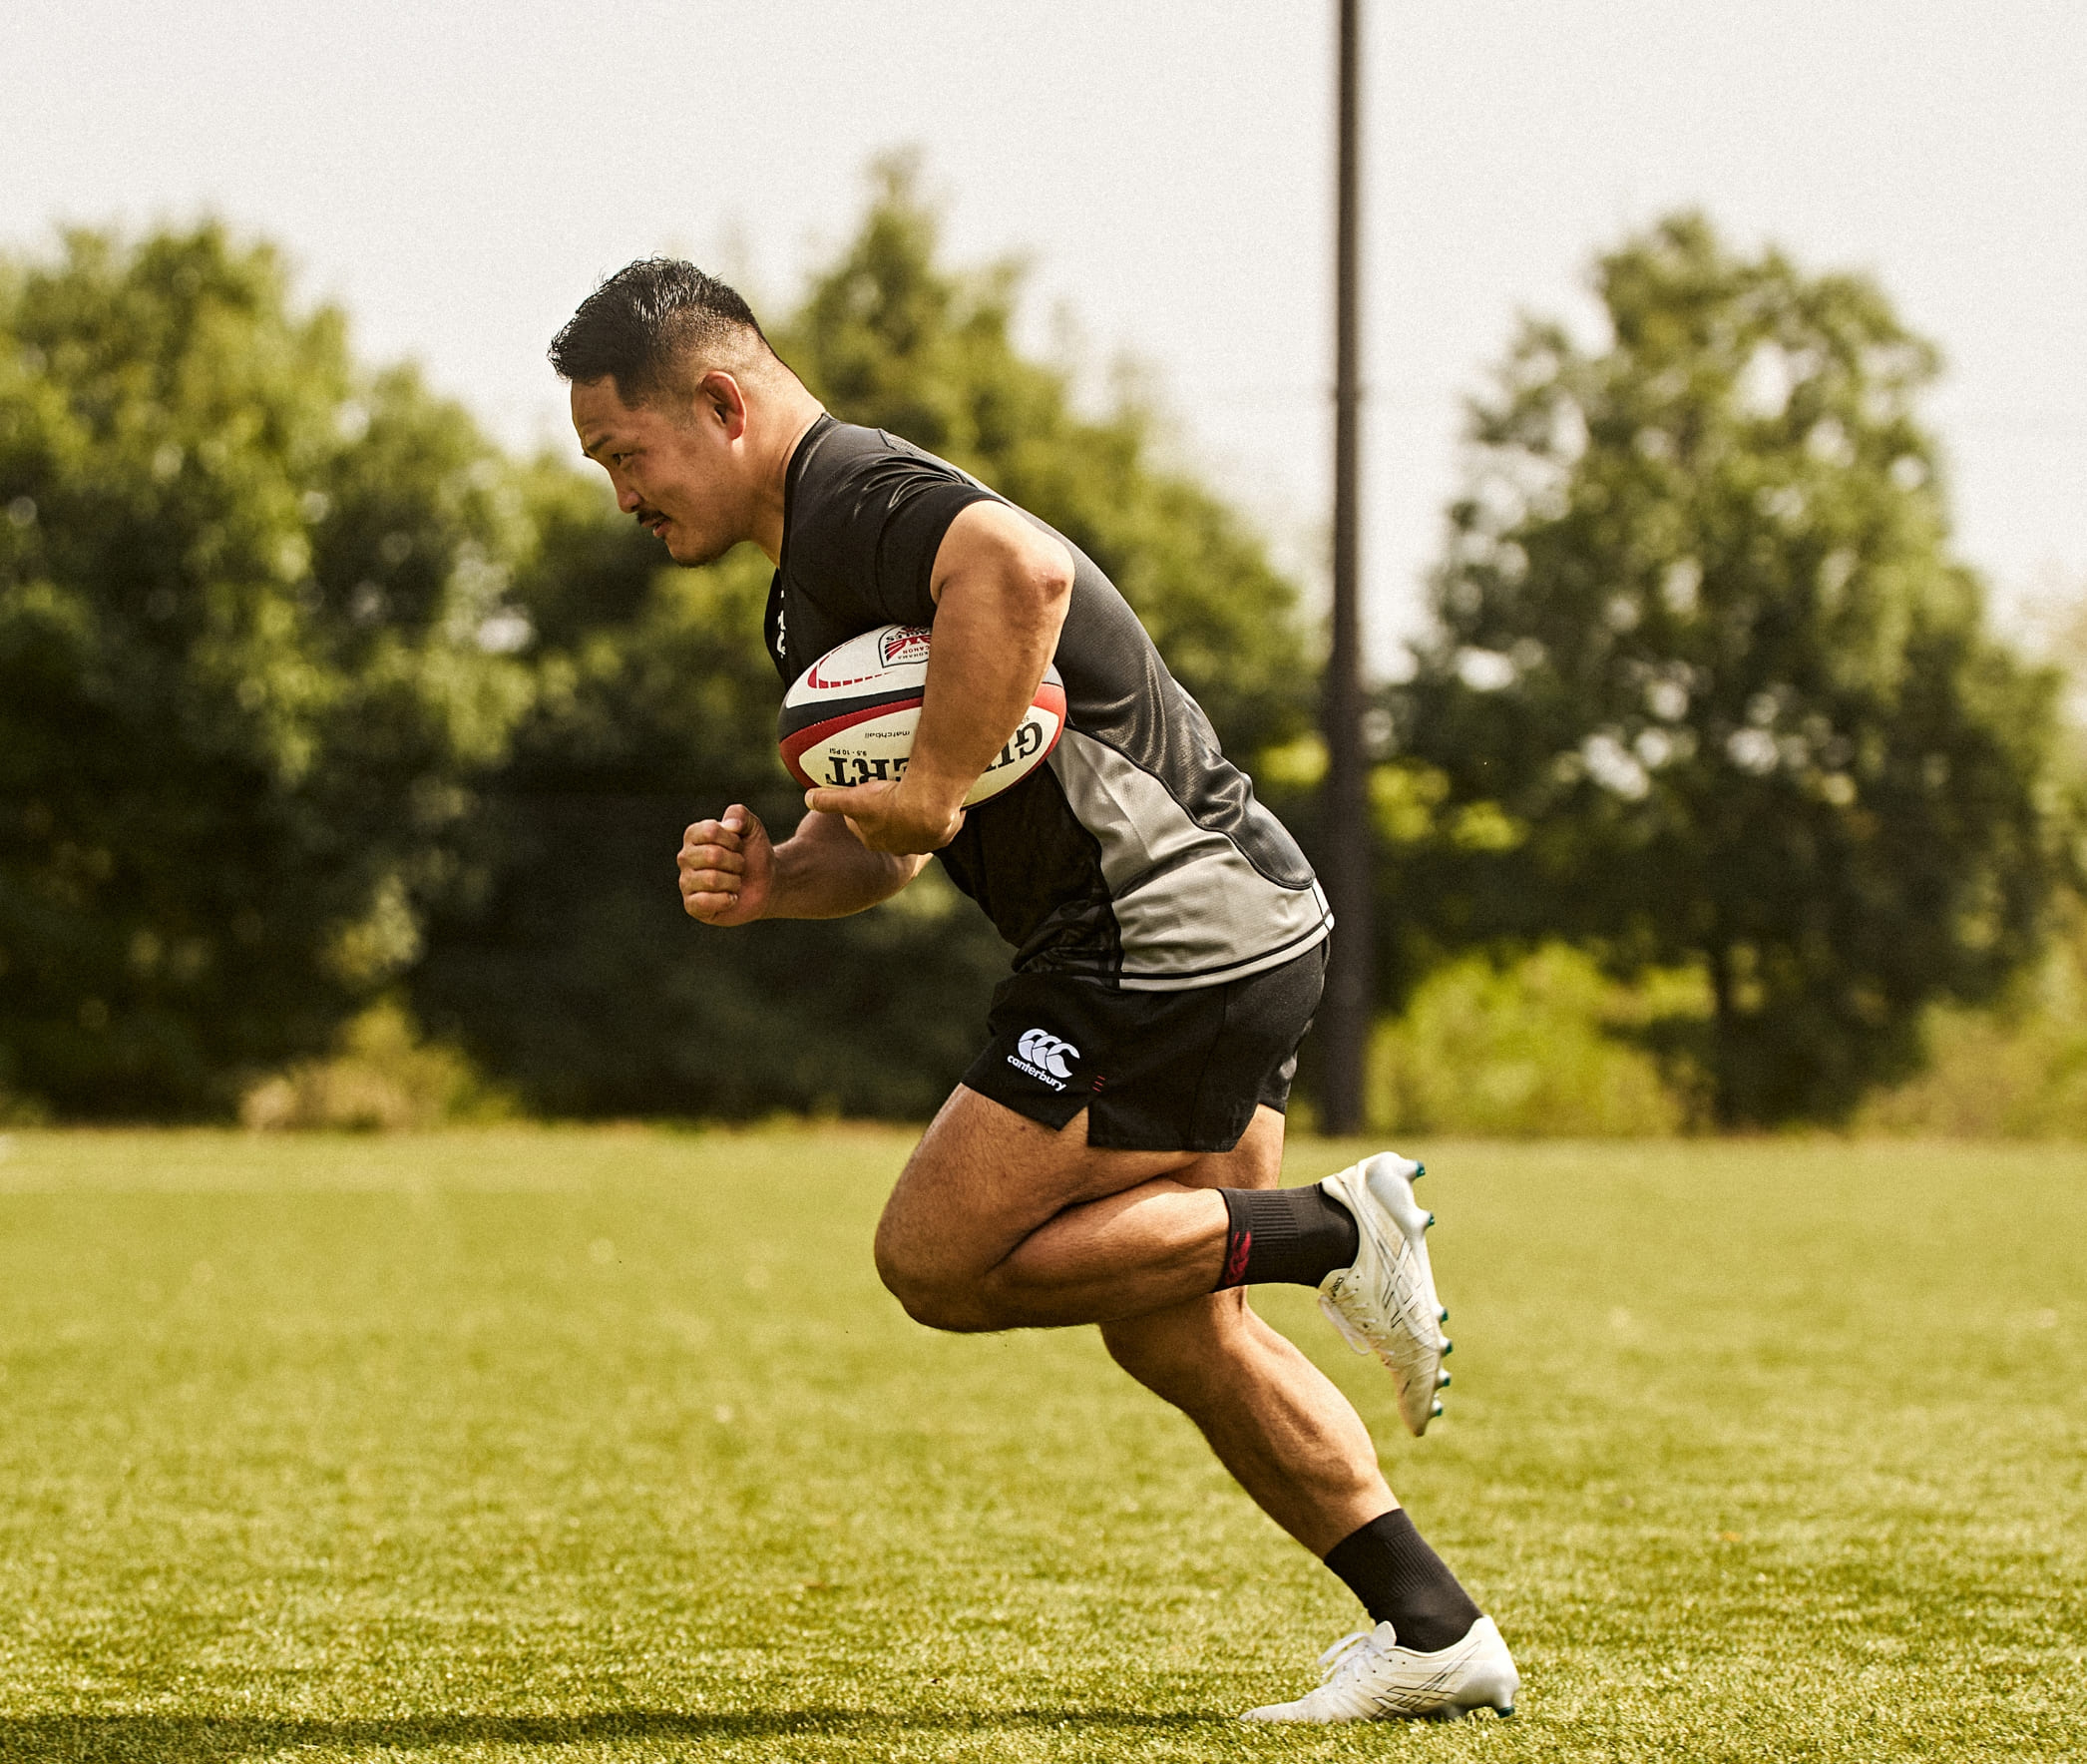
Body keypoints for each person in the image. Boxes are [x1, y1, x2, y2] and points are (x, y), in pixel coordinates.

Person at [549, 258, 1518, 1724]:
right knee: (1177, 1317)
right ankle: (1435, 1628)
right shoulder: (806, 592)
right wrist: (777, 879)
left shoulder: (859, 494)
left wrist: (930, 785)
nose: (621, 493)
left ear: (722, 402)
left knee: (934, 1258)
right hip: (1217, 921)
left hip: (1158, 930)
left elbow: (1022, 571)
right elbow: (884, 850)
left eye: (624, 453)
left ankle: (1330, 1225)